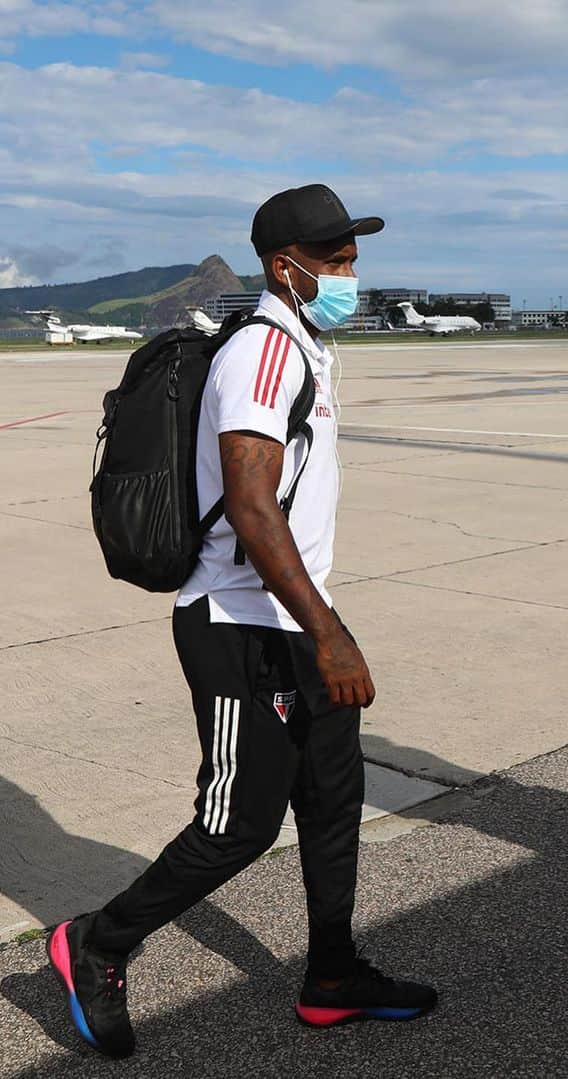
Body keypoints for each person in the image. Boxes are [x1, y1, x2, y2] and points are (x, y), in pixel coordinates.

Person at [48, 184, 437, 1058]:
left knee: (334, 803)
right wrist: (328, 634)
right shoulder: (262, 353)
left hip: (298, 614)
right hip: (240, 625)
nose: (351, 272)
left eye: (352, 255)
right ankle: (98, 943)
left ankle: (332, 974)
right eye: (335, 259)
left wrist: (323, 624)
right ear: (284, 267)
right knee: (239, 823)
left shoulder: (304, 345)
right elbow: (254, 510)